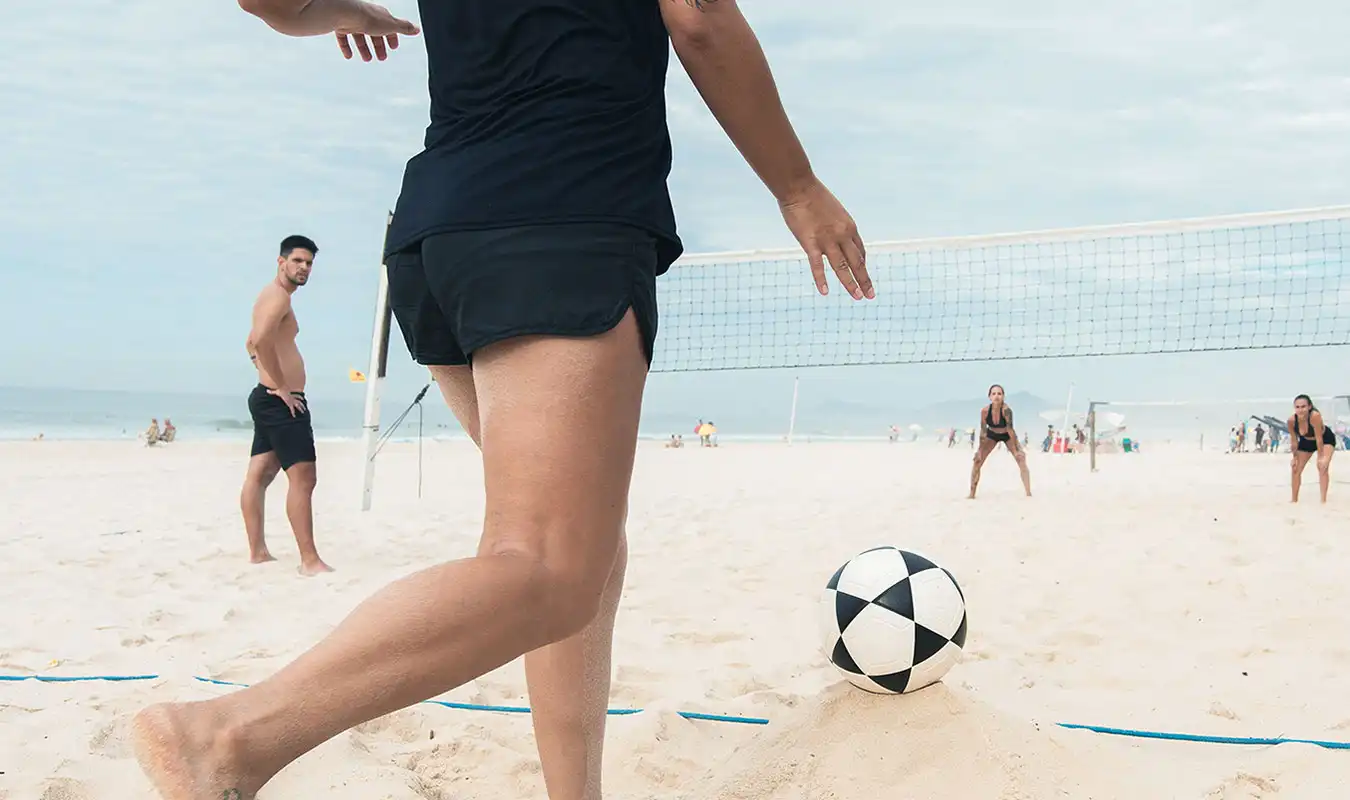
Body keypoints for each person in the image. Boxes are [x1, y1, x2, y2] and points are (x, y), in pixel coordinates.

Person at [132, 1, 871, 798]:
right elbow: (696, 18)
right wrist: (796, 185)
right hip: (562, 214)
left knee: (579, 547)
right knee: (548, 564)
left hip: (439, 231)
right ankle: (227, 739)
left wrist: (335, 9)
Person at [241, 234, 333, 576]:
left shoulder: (276, 298)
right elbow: (261, 340)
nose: (304, 268)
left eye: (309, 263)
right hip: (281, 402)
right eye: (298, 261)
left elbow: (251, 342)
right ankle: (310, 561)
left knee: (261, 475)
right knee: (304, 477)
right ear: (281, 262)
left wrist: (265, 374)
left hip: (270, 398)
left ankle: (258, 552)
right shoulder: (277, 297)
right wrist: (280, 386)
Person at [969, 384, 1032, 499]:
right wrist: (979, 451)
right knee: (977, 461)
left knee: (1021, 459)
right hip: (991, 434)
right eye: (994, 394)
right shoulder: (984, 411)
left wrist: (1017, 449)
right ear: (989, 397)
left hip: (1006, 434)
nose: (996, 396)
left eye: (999, 394)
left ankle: (1028, 492)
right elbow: (983, 432)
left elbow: (1010, 430)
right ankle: (972, 493)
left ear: (1003, 396)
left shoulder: (1006, 410)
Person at [1287, 393, 1335, 503]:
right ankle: (1294, 499)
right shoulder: (1291, 421)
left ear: (1309, 407)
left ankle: (1323, 500)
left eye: (1303, 407)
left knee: (1322, 466)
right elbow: (1294, 441)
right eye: (1297, 407)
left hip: (1325, 439)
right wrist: (1294, 457)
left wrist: (1321, 457)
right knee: (1295, 469)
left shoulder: (1315, 416)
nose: (1300, 410)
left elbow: (1319, 439)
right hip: (1306, 441)